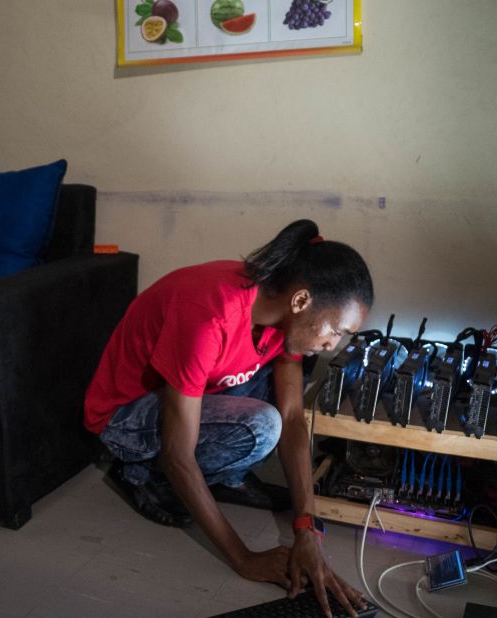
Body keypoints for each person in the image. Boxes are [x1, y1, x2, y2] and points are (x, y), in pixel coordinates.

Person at [84, 219, 373, 618]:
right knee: (261, 426)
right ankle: (138, 473)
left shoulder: (281, 313)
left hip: (194, 395)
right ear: (302, 301)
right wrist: (244, 559)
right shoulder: (209, 313)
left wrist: (307, 526)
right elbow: (178, 454)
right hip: (124, 417)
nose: (331, 345)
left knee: (280, 406)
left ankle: (225, 477)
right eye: (337, 331)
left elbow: (293, 417)